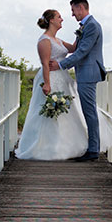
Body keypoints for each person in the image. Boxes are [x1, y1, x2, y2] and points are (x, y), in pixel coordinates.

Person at [14, 9, 90, 160]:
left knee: (66, 112)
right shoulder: (45, 40)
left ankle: (66, 144)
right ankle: (47, 147)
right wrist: (47, 84)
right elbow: (45, 64)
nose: (62, 19)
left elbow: (73, 49)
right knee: (49, 113)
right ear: (51, 20)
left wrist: (80, 33)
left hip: (63, 78)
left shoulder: (58, 40)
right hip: (51, 78)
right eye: (59, 17)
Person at [52, 0, 107, 161]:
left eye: (73, 10)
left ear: (81, 8)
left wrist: (61, 65)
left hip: (88, 74)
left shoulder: (92, 26)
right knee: (88, 111)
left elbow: (82, 51)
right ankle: (92, 148)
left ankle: (93, 151)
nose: (72, 14)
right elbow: (76, 48)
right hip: (85, 73)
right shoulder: (86, 25)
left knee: (89, 112)